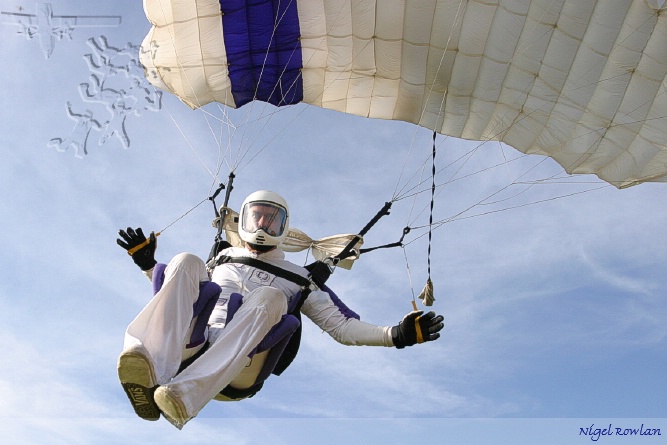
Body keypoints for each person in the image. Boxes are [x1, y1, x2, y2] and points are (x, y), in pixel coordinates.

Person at [116, 190, 444, 429]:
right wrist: (148, 266)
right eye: (257, 215)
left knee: (271, 298)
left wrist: (395, 335)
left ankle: (185, 396)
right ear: (244, 219)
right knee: (185, 260)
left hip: (243, 365)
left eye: (272, 219)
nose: (262, 223)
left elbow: (342, 327)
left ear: (283, 228)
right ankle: (145, 366)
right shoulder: (221, 258)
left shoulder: (300, 279)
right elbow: (177, 296)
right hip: (192, 348)